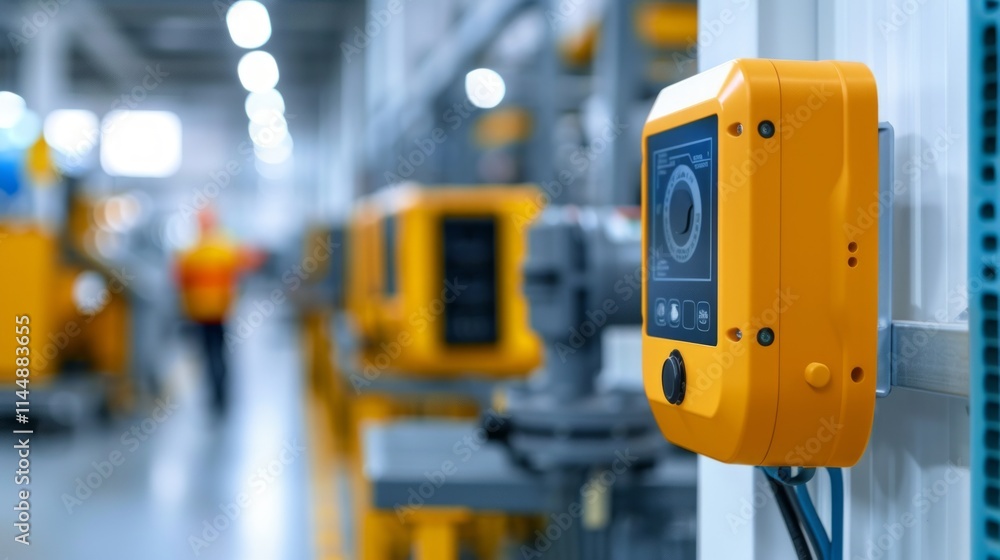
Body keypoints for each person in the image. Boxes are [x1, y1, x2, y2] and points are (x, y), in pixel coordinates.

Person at [175, 209, 259, 415]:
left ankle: (215, 397)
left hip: (199, 313)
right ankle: (222, 396)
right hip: (220, 311)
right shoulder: (225, 248)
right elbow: (244, 268)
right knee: (219, 353)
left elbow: (180, 283)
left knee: (207, 353)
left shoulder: (189, 251)